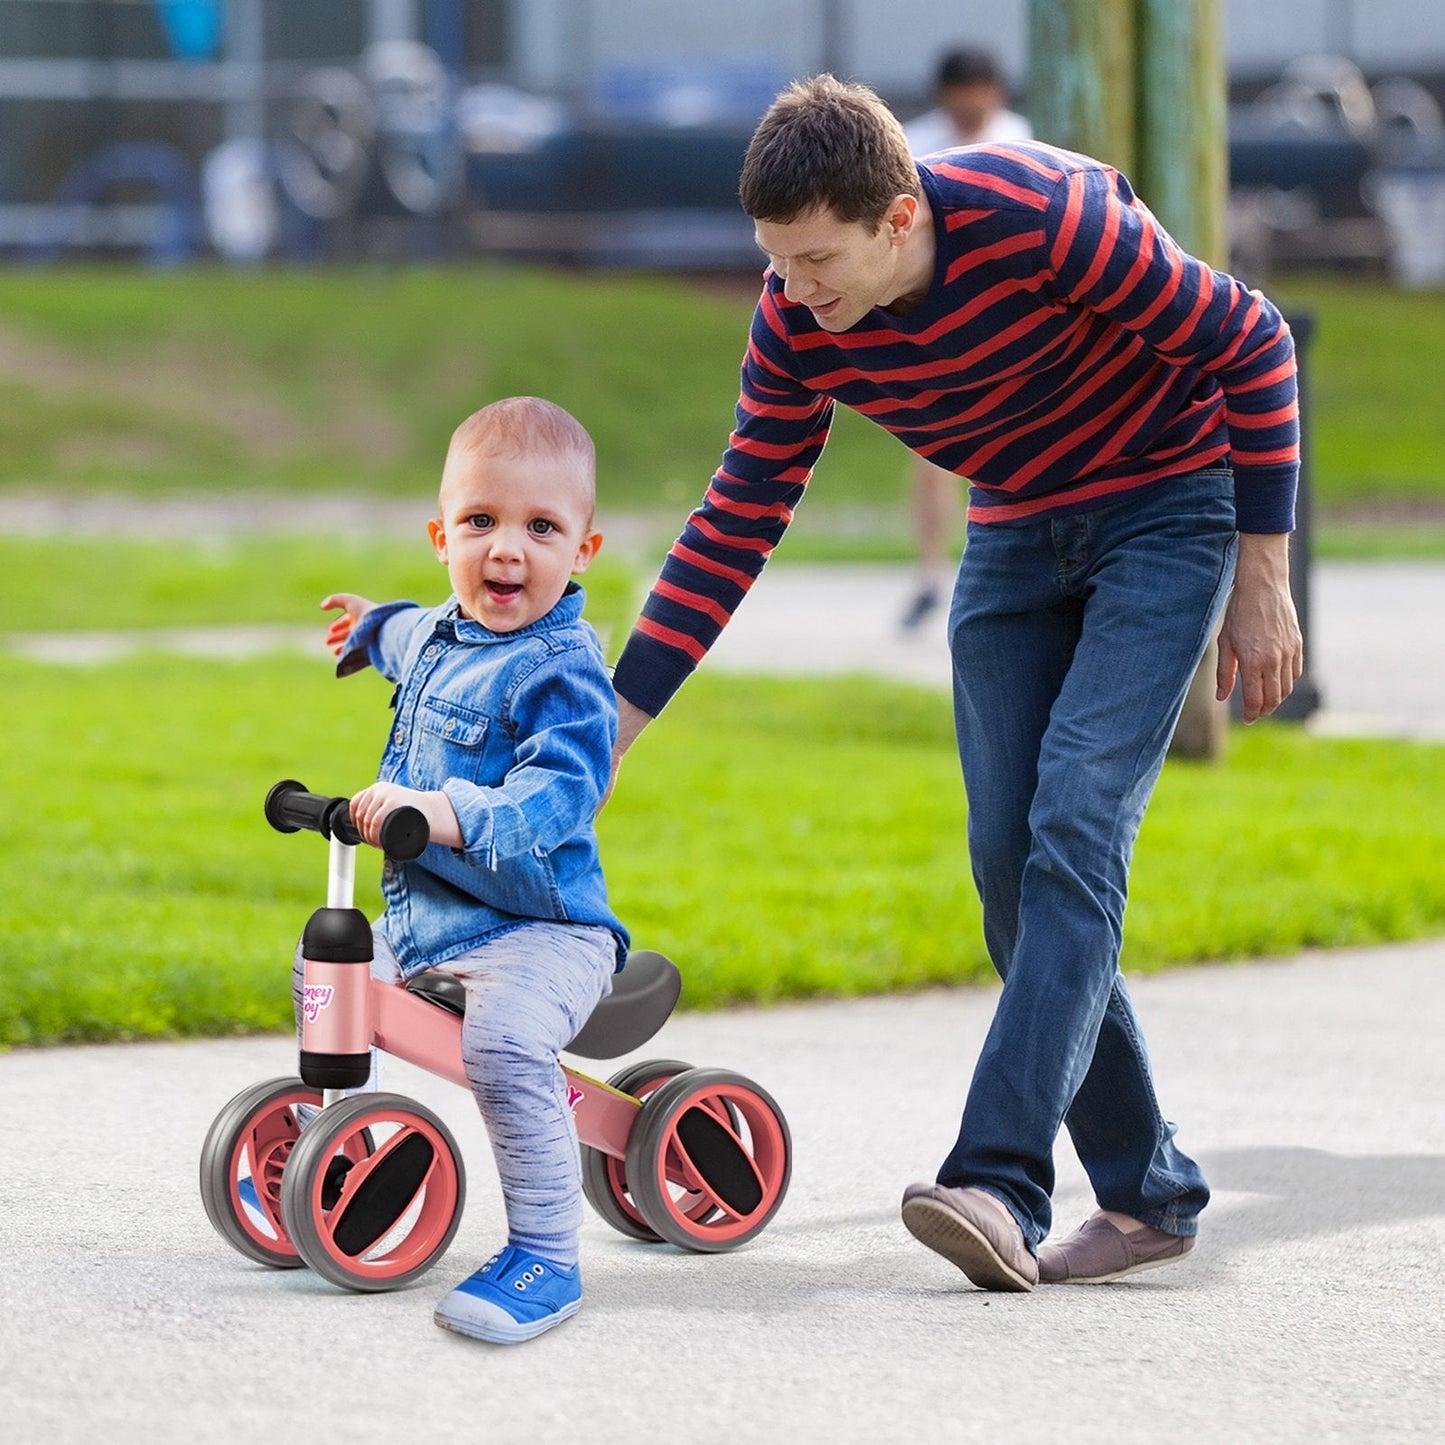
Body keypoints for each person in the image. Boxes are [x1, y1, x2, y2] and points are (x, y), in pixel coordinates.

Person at [605, 76, 1302, 1292]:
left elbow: (1249, 336)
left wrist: (1261, 570)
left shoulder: (1047, 220)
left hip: (1165, 507)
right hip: (1016, 531)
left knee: (1074, 823)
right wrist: (614, 719)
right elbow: (735, 518)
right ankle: (1148, 1193)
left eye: (815, 259)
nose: (794, 291)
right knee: (1004, 862)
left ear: (897, 216)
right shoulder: (793, 321)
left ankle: (997, 1178)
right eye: (775, 262)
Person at [318, 395, 629, 1341]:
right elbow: (412, 633)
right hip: (442, 932)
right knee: (326, 980)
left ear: (583, 550)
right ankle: (327, 1156)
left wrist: (443, 813)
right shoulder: (441, 631)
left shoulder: (563, 671)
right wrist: (372, 627)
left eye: (541, 527)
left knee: (500, 1049)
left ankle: (545, 1251)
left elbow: (560, 795)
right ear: (440, 534)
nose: (506, 550)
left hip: (547, 935)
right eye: (481, 522)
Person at [900, 47, 1033, 631]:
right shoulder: (912, 144)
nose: (973, 105)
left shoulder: (1018, 139)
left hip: (1003, 314)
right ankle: (932, 573)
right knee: (934, 455)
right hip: (931, 322)